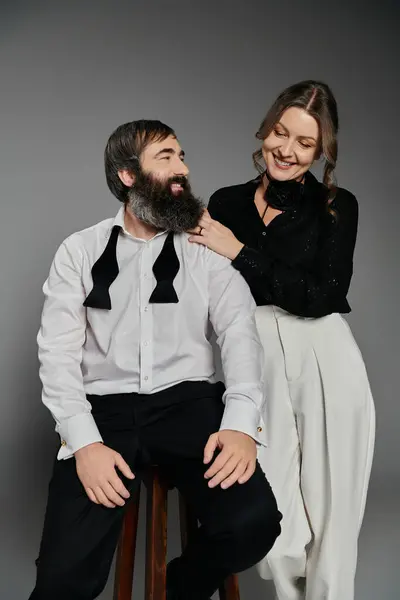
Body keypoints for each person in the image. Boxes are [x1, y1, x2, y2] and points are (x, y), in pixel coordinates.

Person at [29, 119, 282, 600]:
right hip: (102, 412)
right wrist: (83, 443)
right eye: (166, 157)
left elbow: (240, 336)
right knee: (61, 579)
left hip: (188, 406)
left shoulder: (206, 246)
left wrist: (242, 424)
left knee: (254, 524)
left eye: (182, 156)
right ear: (128, 175)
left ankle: (180, 588)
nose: (182, 169)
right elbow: (57, 353)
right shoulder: (79, 251)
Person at [188, 81, 375, 600]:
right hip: (255, 356)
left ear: (322, 152)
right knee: (274, 516)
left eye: (305, 143)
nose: (287, 151)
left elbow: (323, 294)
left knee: (334, 509)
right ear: (265, 129)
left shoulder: (338, 207)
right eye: (280, 133)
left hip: (325, 354)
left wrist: (238, 250)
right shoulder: (226, 202)